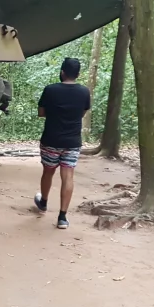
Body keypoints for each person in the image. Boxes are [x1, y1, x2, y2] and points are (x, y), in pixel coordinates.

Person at [33, 57, 90, 230]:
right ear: (78, 74)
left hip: (51, 138)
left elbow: (41, 112)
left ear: (62, 72)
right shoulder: (84, 92)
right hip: (72, 141)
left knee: (48, 172)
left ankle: (43, 202)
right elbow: (82, 113)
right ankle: (62, 217)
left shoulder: (50, 90)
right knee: (68, 175)